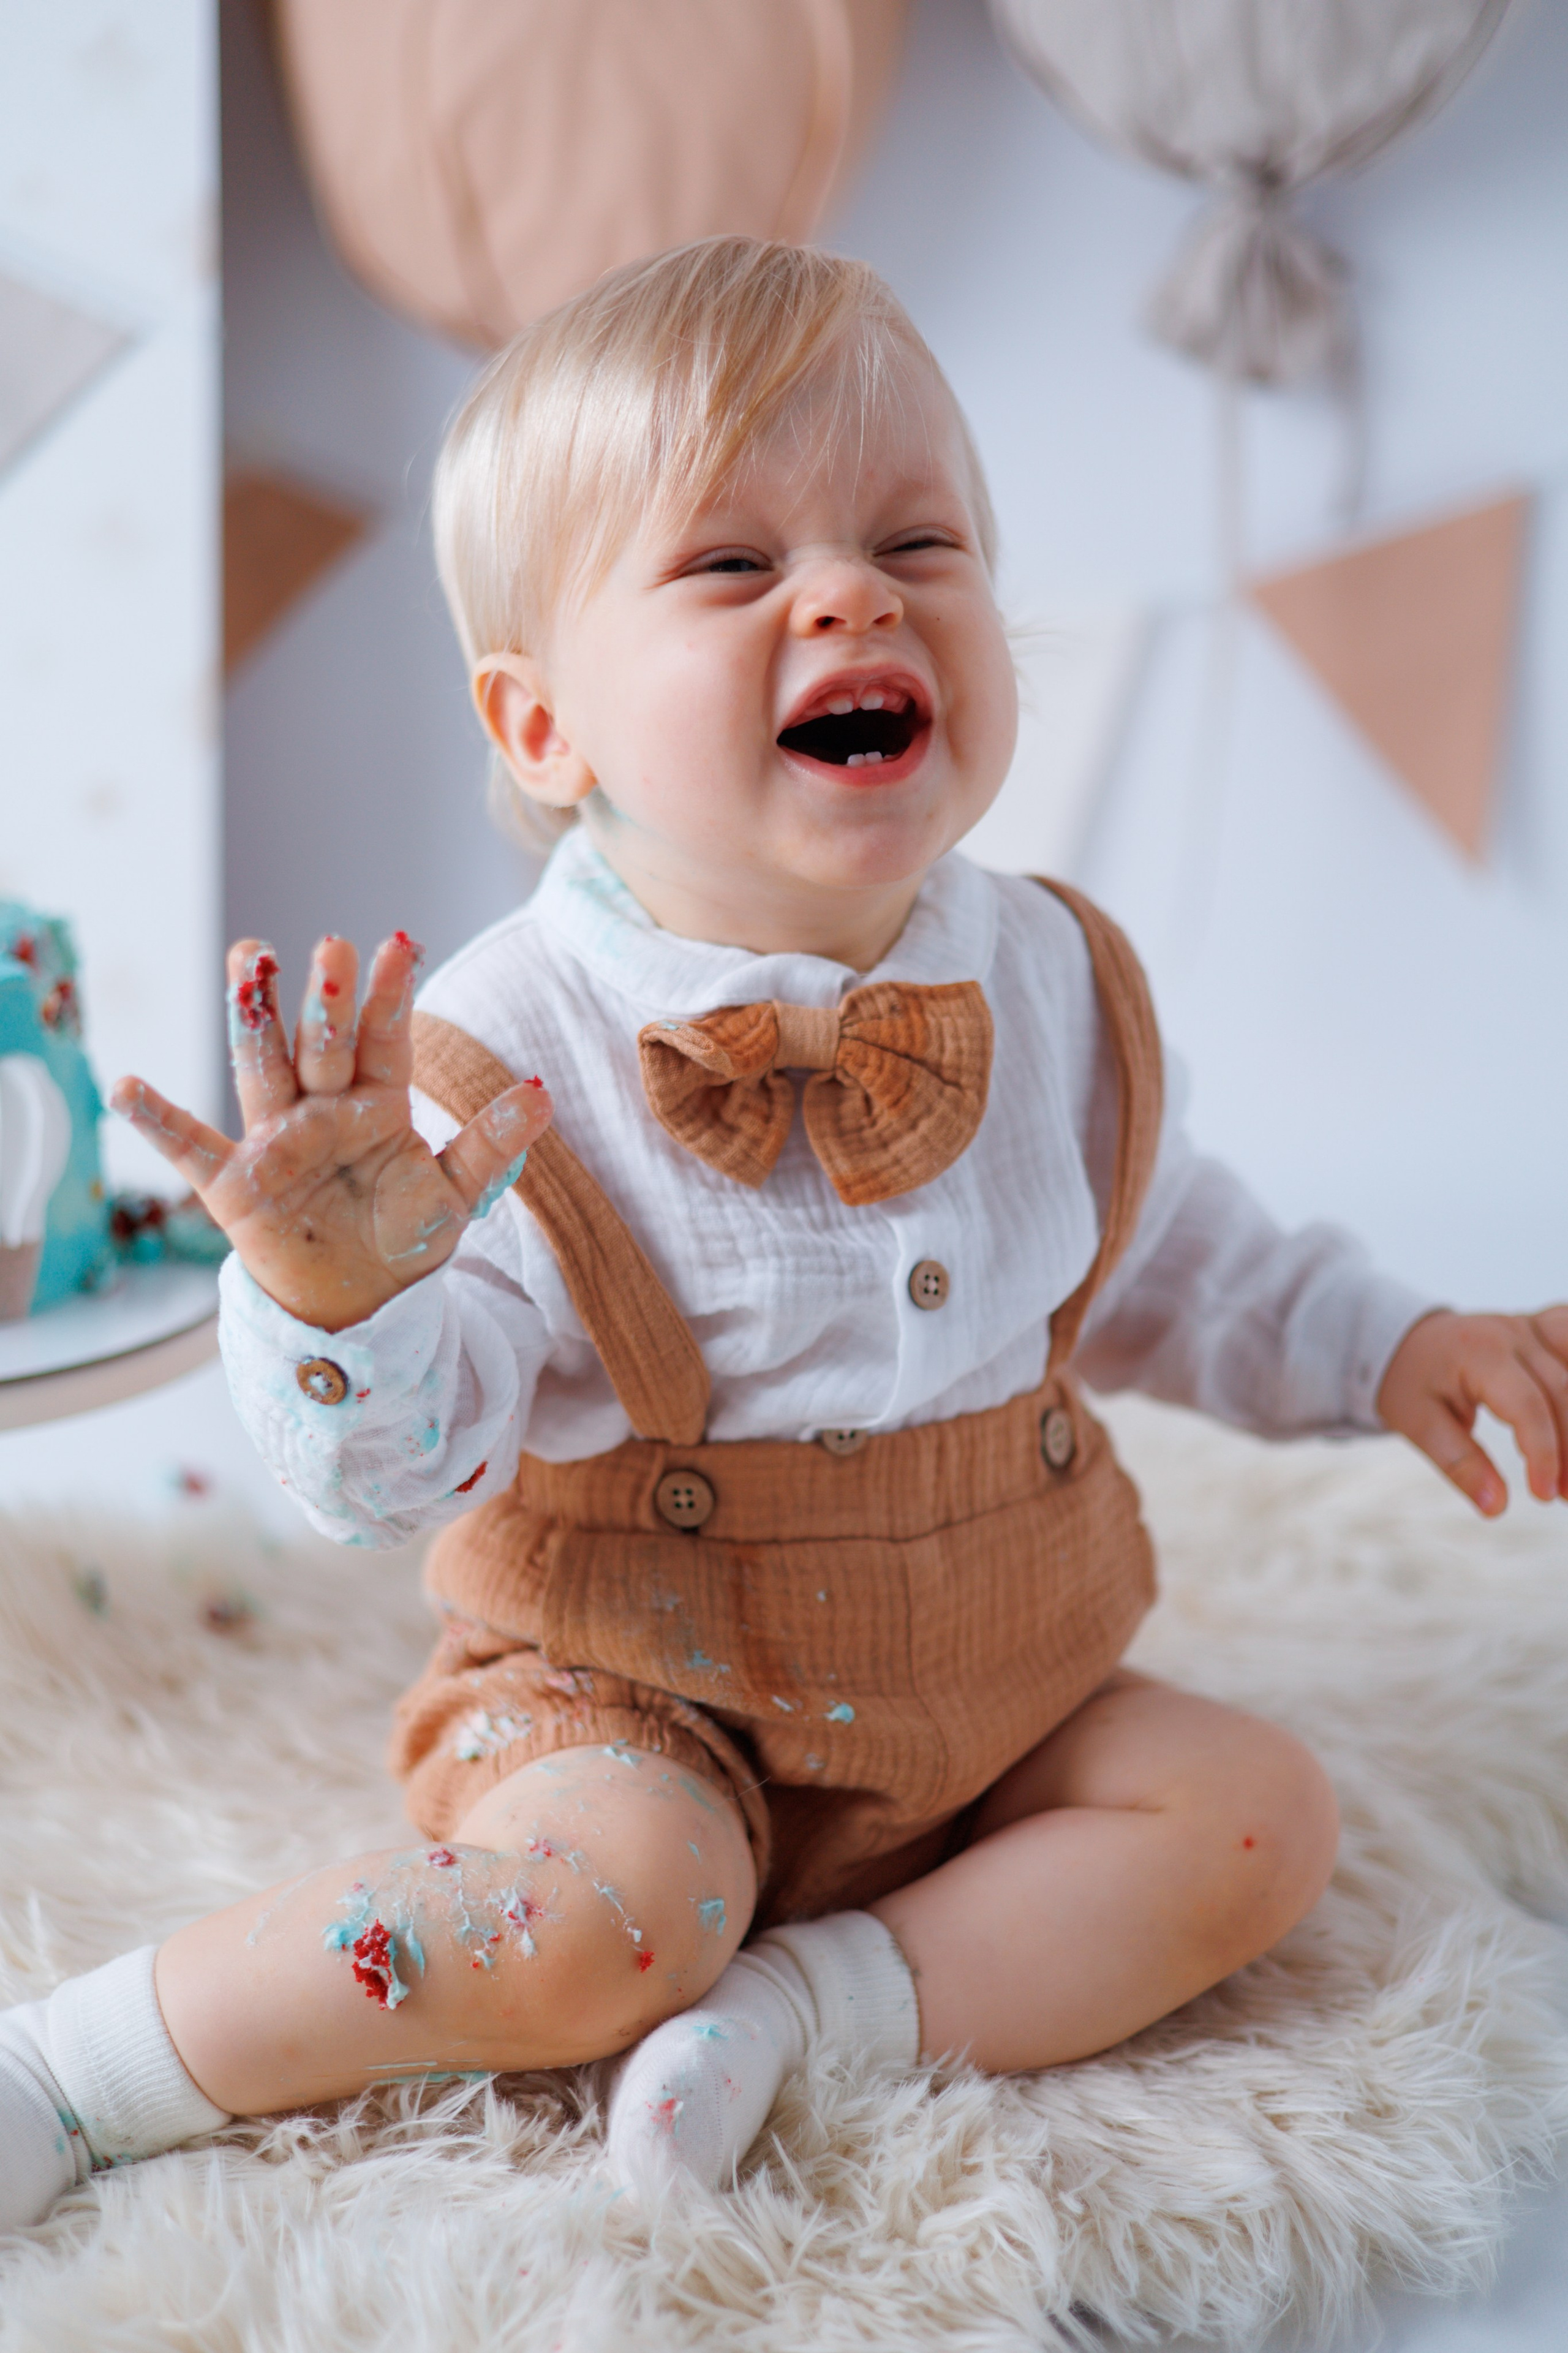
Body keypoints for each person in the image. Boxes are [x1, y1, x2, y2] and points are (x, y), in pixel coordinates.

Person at [4, 238, 1564, 2228]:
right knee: (603, 1918)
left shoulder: (1056, 976)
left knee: (1262, 1818)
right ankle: (88, 2062)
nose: (855, 591)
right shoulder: (497, 1060)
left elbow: (1178, 1254)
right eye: (734, 569)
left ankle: (816, 2014)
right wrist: (343, 1296)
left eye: (918, 538)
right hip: (641, 1689)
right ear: (544, 725)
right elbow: (404, 1466)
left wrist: (1392, 1344)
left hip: (995, 1685)